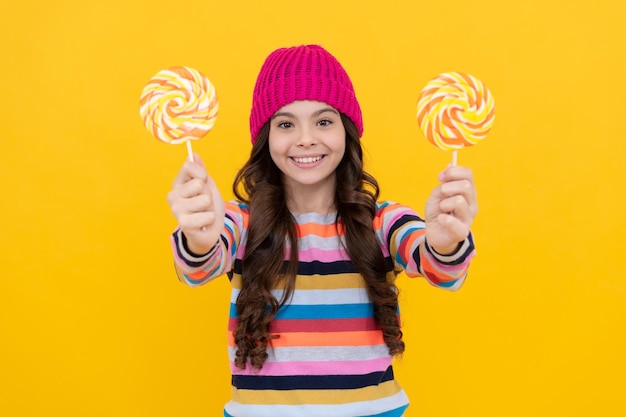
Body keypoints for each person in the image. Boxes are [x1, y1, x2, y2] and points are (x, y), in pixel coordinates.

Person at [167, 44, 477, 417]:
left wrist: (445, 241)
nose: (305, 138)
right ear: (266, 137)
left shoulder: (382, 221)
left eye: (323, 121)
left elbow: (442, 269)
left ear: (347, 131)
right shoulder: (242, 222)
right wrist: (200, 237)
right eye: (285, 124)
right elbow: (198, 268)